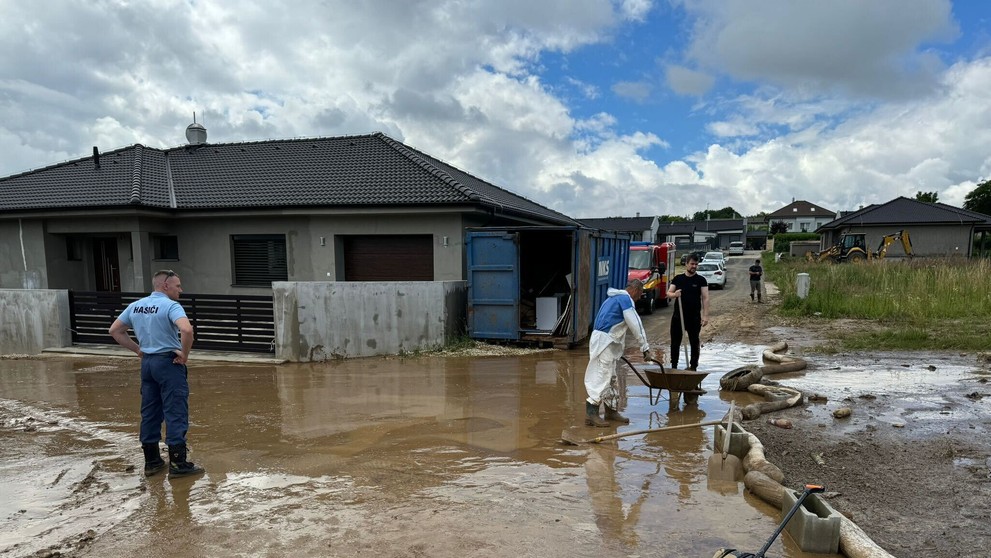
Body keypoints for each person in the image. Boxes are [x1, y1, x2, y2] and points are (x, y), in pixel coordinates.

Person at [109, 270, 204, 478]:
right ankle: (178, 464)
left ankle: (152, 461)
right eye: (178, 286)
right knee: (175, 409)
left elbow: (115, 330)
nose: (181, 290)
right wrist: (185, 354)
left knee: (150, 411)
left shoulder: (136, 305)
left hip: (148, 365)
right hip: (168, 363)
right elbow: (187, 330)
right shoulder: (171, 306)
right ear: (165, 286)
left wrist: (138, 350)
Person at [583, 279, 654, 428]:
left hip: (605, 341)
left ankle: (611, 411)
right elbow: (636, 324)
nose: (639, 297)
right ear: (635, 290)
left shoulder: (614, 298)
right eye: (640, 294)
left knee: (611, 378)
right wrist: (645, 348)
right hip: (605, 342)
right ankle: (591, 414)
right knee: (602, 377)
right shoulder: (625, 300)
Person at [667, 254, 709, 371]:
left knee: (694, 342)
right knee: (675, 343)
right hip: (678, 317)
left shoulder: (701, 280)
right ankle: (674, 367)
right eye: (692, 264)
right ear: (686, 264)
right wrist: (674, 295)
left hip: (694, 317)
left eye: (696, 264)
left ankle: (693, 367)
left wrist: (705, 316)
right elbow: (669, 293)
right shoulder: (678, 279)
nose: (694, 266)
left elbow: (705, 298)